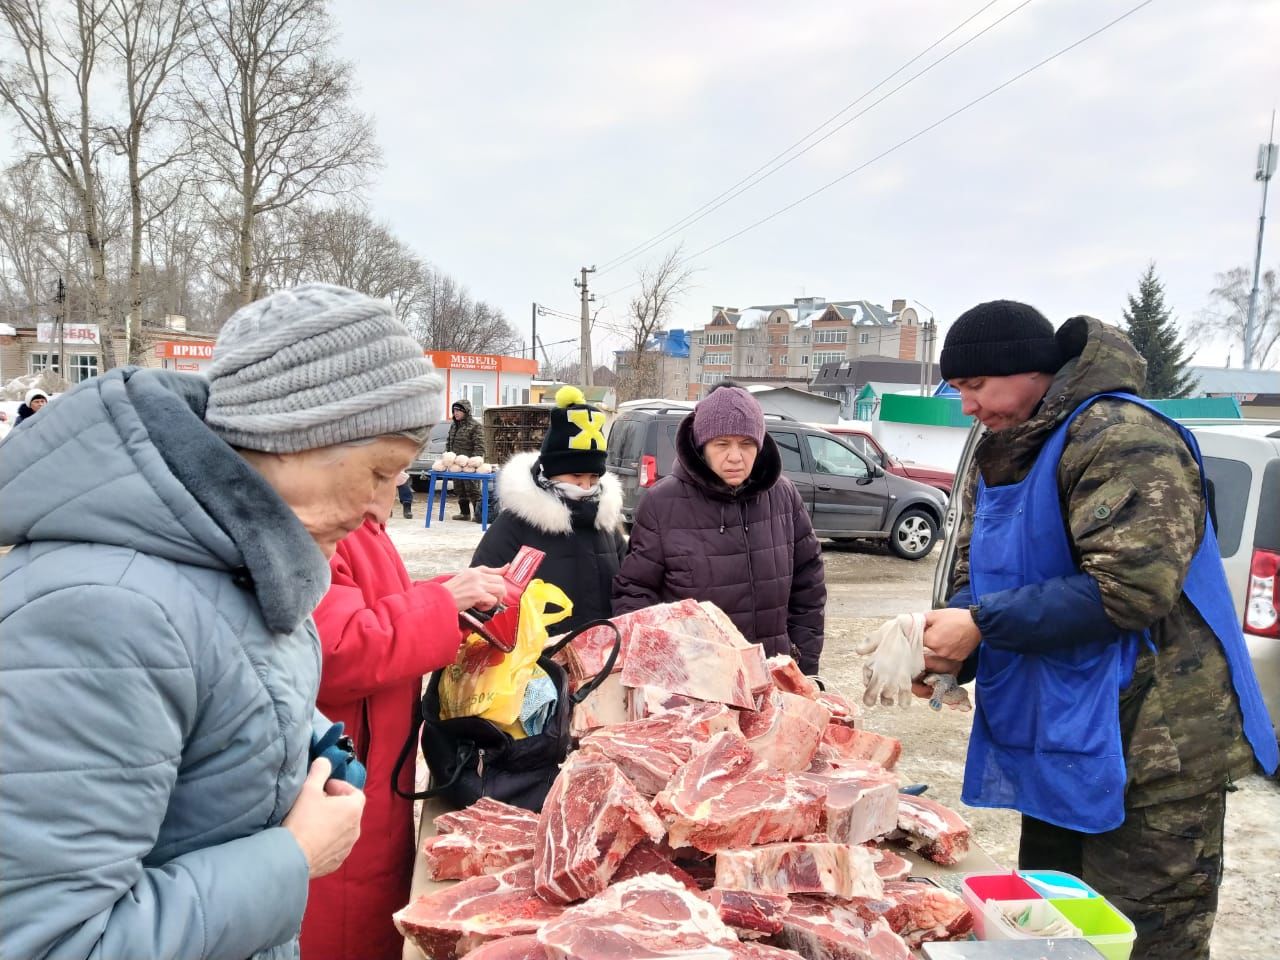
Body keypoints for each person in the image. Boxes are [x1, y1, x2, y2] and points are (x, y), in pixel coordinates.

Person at [0, 283, 444, 960]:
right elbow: (51, 942)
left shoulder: (223, 564)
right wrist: (292, 857)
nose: (384, 508)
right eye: (382, 471)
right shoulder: (103, 613)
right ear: (298, 434)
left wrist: (309, 740)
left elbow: (221, 688)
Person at [923, 301, 1277, 960]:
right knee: (1052, 933)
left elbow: (1131, 588)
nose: (966, 406)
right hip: (1061, 738)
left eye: (974, 386)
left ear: (1026, 370)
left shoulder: (1123, 436)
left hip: (1154, 746)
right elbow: (979, 574)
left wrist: (980, 624)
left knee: (1144, 939)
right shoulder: (1006, 447)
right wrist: (952, 648)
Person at [301, 468, 508, 960]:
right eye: (384, 465)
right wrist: (442, 602)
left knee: (377, 910)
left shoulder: (361, 524)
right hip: (341, 770)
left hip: (377, 764)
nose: (399, 479)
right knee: (341, 924)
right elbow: (336, 648)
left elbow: (380, 604)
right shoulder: (319, 527)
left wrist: (449, 597)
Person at [612, 384, 826, 673]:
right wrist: (656, 666)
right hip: (694, 679)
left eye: (747, 444)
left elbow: (808, 588)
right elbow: (635, 591)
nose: (736, 456)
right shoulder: (663, 503)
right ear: (702, 446)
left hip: (770, 672)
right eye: (722, 444)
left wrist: (803, 665)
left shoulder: (784, 497)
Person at [471, 386, 625, 634]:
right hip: (537, 659)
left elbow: (627, 584)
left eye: (593, 477)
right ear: (552, 472)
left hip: (599, 653)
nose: (585, 486)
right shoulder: (516, 523)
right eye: (576, 475)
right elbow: (482, 593)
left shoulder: (605, 523)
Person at [447, 397, 486, 521]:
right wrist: (448, 456)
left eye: (459, 410)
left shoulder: (475, 426)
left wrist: (473, 462)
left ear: (466, 411)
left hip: (469, 464)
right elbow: (449, 442)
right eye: (454, 410)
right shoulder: (454, 425)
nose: (456, 413)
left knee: (473, 489)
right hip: (456, 464)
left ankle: (478, 514)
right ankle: (464, 513)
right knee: (459, 488)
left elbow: (479, 445)